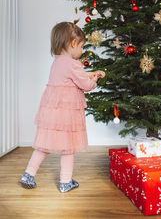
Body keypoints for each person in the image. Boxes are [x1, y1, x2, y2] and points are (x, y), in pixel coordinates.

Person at [19, 20, 105, 193]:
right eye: (81, 47)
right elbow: (85, 85)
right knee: (69, 147)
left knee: (43, 145)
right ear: (73, 44)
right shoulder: (74, 64)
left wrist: (89, 73)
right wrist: (95, 79)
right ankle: (65, 182)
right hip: (67, 116)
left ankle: (28, 174)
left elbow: (72, 76)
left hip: (52, 114)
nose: (81, 51)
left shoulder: (58, 61)